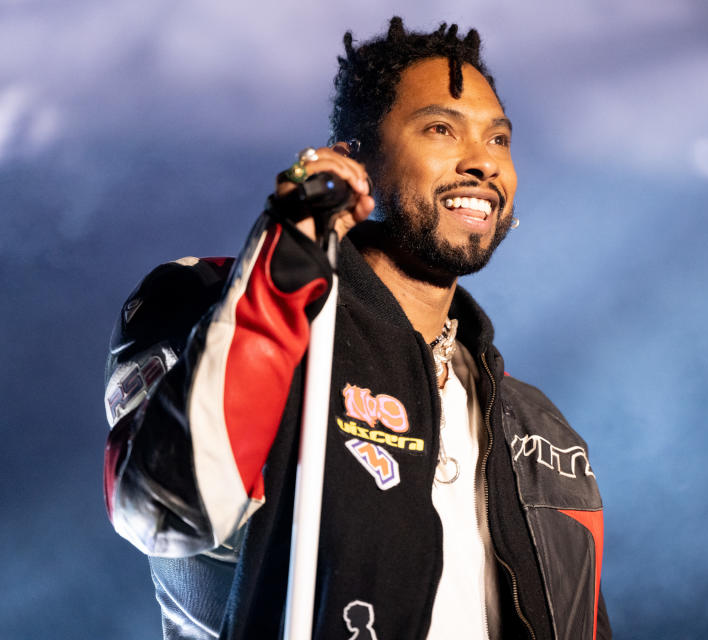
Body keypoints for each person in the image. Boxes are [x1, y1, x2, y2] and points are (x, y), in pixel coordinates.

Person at [103, 17, 609, 640]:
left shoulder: (539, 430)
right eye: (440, 129)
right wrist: (289, 259)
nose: (483, 161)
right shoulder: (213, 306)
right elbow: (169, 509)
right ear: (354, 159)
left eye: (499, 139)